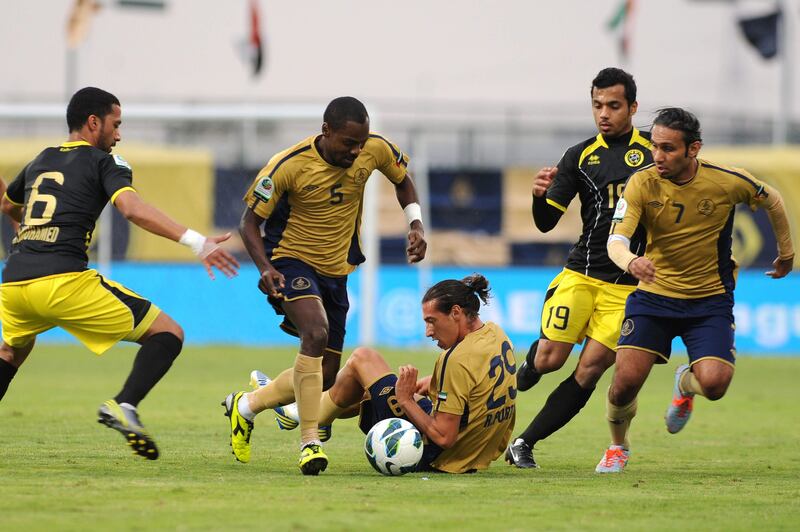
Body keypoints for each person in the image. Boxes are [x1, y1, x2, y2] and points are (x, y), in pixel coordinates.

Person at [0, 87, 239, 460]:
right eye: (116, 124)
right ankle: (124, 405)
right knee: (168, 333)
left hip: (14, 283)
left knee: (11, 352)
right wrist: (196, 241)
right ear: (94, 122)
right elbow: (132, 209)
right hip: (63, 282)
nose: (119, 134)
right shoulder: (104, 161)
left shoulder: (40, 160)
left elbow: (8, 204)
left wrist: (27, 232)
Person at [222, 96, 427, 475]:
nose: (357, 150)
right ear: (326, 132)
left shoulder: (375, 150)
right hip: (290, 261)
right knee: (314, 333)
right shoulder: (288, 166)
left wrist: (414, 223)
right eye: (349, 142)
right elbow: (248, 223)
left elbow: (403, 181)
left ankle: (246, 405)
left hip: (336, 272)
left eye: (362, 142)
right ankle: (309, 442)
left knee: (326, 374)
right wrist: (265, 268)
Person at [597, 107, 794, 473]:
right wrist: (630, 261)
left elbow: (774, 200)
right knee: (623, 385)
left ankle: (685, 384)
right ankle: (617, 447)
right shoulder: (641, 183)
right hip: (654, 296)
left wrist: (786, 253)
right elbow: (616, 240)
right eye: (655, 146)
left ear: (693, 149)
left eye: (668, 148)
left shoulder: (726, 181)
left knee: (716, 385)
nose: (658, 156)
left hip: (709, 301)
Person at [505, 68, 652, 468]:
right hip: (582, 276)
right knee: (551, 359)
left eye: (613, 105)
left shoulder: (657, 155)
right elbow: (545, 222)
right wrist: (539, 196)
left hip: (627, 289)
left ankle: (524, 443)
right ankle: (528, 367)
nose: (604, 113)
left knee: (589, 370)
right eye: (597, 105)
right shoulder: (580, 156)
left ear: (633, 107)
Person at [270, 274, 515, 473]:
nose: (428, 332)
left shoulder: (456, 359)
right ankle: (311, 415)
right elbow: (481, 384)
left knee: (363, 359)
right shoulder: (496, 335)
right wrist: (435, 383)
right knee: (373, 388)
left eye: (432, 321)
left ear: (456, 313)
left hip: (436, 456)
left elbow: (444, 437)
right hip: (479, 449)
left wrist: (406, 399)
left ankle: (306, 415)